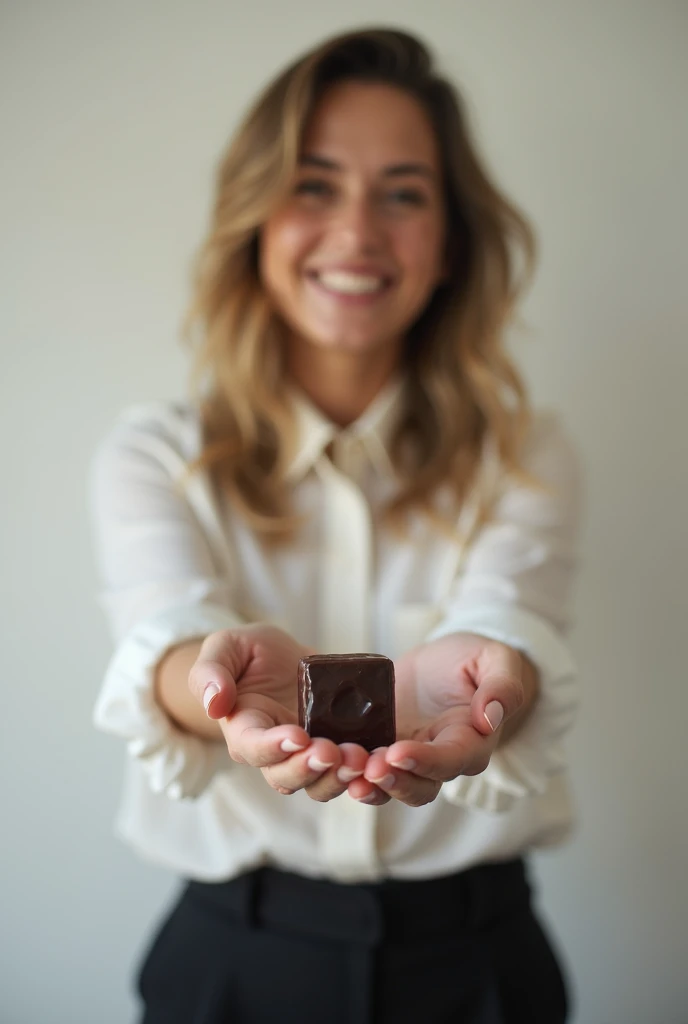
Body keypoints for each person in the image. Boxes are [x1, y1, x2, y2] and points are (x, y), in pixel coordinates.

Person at [89, 26, 582, 1024]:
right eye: (314, 184)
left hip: (480, 965)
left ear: (449, 242)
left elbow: (510, 611)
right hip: (234, 960)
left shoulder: (524, 451)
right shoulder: (153, 453)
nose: (357, 231)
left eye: (403, 192)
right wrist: (221, 690)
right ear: (255, 221)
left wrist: (489, 685)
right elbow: (166, 629)